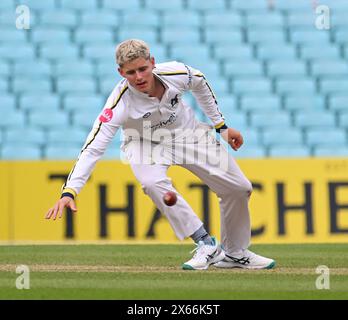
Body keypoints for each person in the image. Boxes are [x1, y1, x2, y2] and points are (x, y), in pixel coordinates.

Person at [45, 39, 275, 270]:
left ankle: (235, 253)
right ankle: (205, 243)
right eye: (130, 72)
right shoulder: (119, 103)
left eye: (143, 69)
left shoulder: (176, 73)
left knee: (239, 188)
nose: (138, 77)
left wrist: (221, 126)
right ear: (121, 72)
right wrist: (70, 190)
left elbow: (200, 83)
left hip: (187, 134)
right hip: (143, 141)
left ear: (152, 63)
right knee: (151, 182)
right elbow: (93, 147)